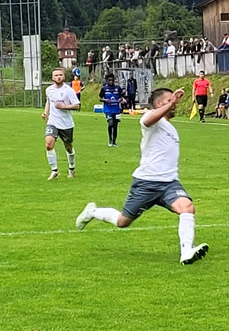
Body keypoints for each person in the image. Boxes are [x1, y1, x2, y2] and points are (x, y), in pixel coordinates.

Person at [75, 87, 209, 265]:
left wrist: (170, 104)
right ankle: (92, 212)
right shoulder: (150, 117)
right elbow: (148, 121)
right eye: (170, 100)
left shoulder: (171, 128)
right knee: (123, 221)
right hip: (146, 183)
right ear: (160, 103)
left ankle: (186, 252)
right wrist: (170, 104)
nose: (176, 104)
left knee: (187, 208)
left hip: (169, 183)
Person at [43, 68, 80, 180]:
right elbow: (49, 101)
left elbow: (77, 105)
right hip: (53, 122)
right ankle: (54, 170)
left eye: (60, 75)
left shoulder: (68, 90)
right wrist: (45, 112)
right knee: (48, 144)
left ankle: (72, 168)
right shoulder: (49, 90)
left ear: (63, 77)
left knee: (68, 147)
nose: (58, 77)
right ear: (52, 78)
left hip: (66, 124)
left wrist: (63, 107)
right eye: (56, 75)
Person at [98, 73, 124, 147]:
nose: (111, 82)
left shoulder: (118, 88)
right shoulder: (104, 89)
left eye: (112, 80)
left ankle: (114, 141)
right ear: (106, 80)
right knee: (110, 124)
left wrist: (120, 99)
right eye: (109, 80)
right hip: (108, 109)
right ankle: (110, 139)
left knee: (115, 126)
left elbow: (121, 97)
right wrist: (105, 100)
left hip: (116, 109)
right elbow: (100, 98)